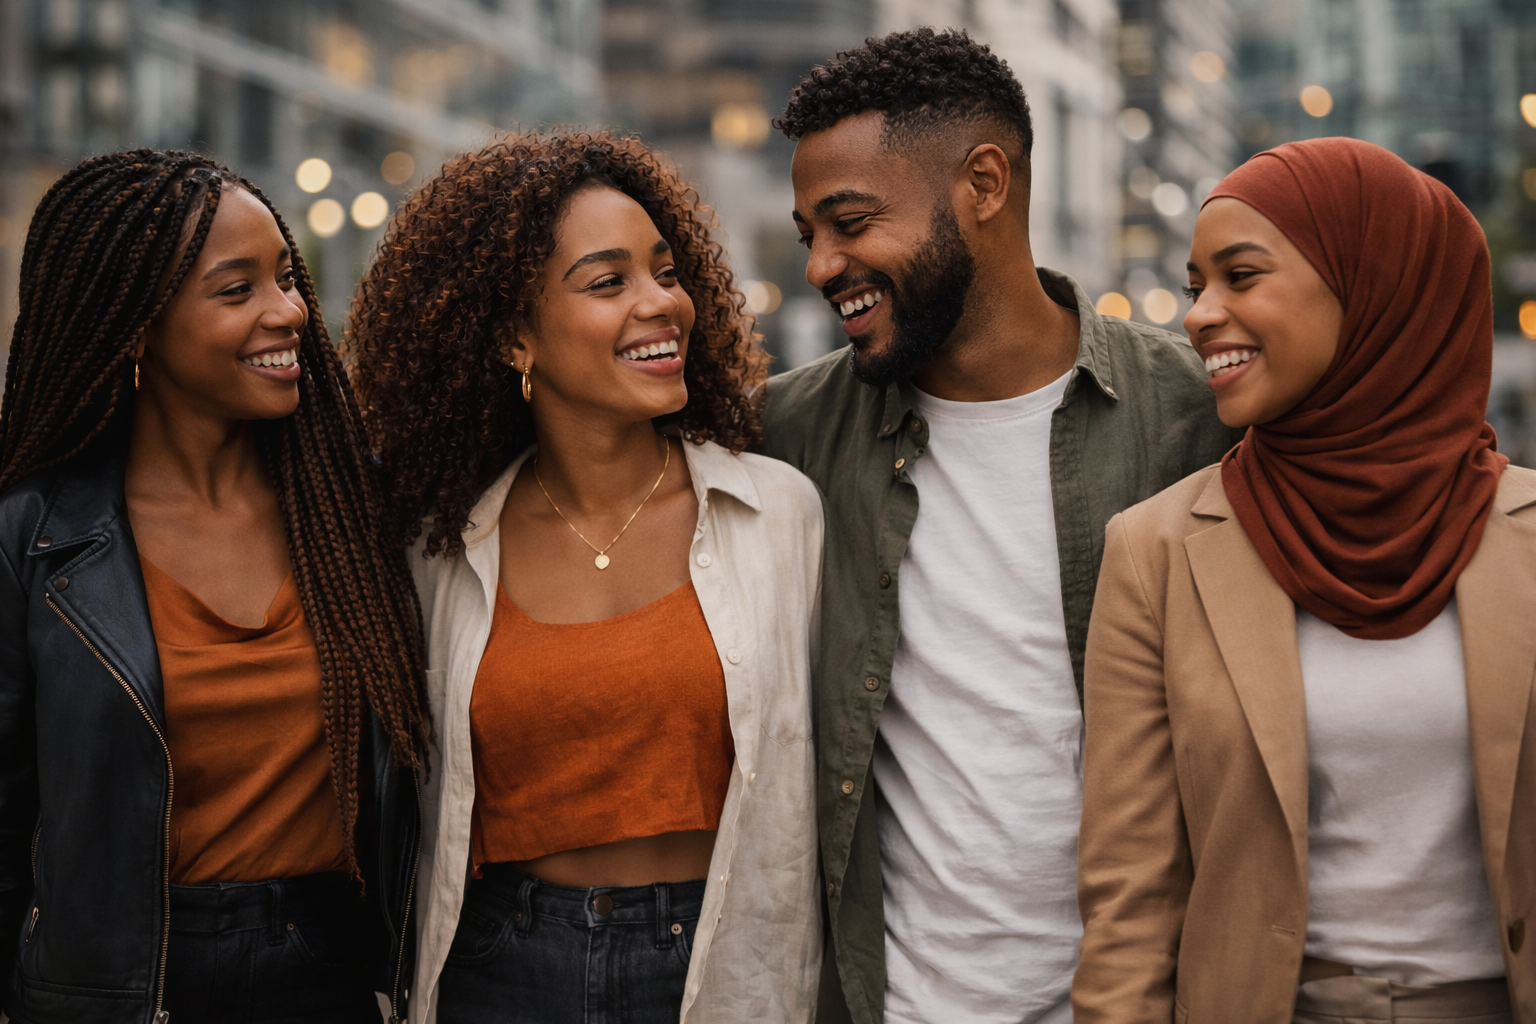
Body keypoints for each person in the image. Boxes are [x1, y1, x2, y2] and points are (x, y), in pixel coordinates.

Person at [762, 27, 1240, 1024]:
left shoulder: (1196, 418)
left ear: (985, 183)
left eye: (848, 221)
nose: (819, 264)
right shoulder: (789, 433)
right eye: (808, 230)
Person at [348, 130, 824, 1024]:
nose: (659, 304)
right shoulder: (441, 549)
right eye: (608, 283)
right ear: (515, 339)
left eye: (667, 271)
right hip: (502, 963)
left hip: (719, 961)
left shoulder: (778, 515)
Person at [1074, 137, 1534, 1024]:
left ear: (1374, 286)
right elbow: (1130, 901)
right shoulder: (1157, 553)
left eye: (1240, 277)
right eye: (1197, 283)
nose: (1201, 313)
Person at [0, 151, 429, 1024]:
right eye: (237, 291)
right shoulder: (31, 537)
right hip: (112, 987)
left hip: (326, 972)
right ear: (134, 327)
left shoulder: (357, 512)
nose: (291, 312)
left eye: (286, 277)